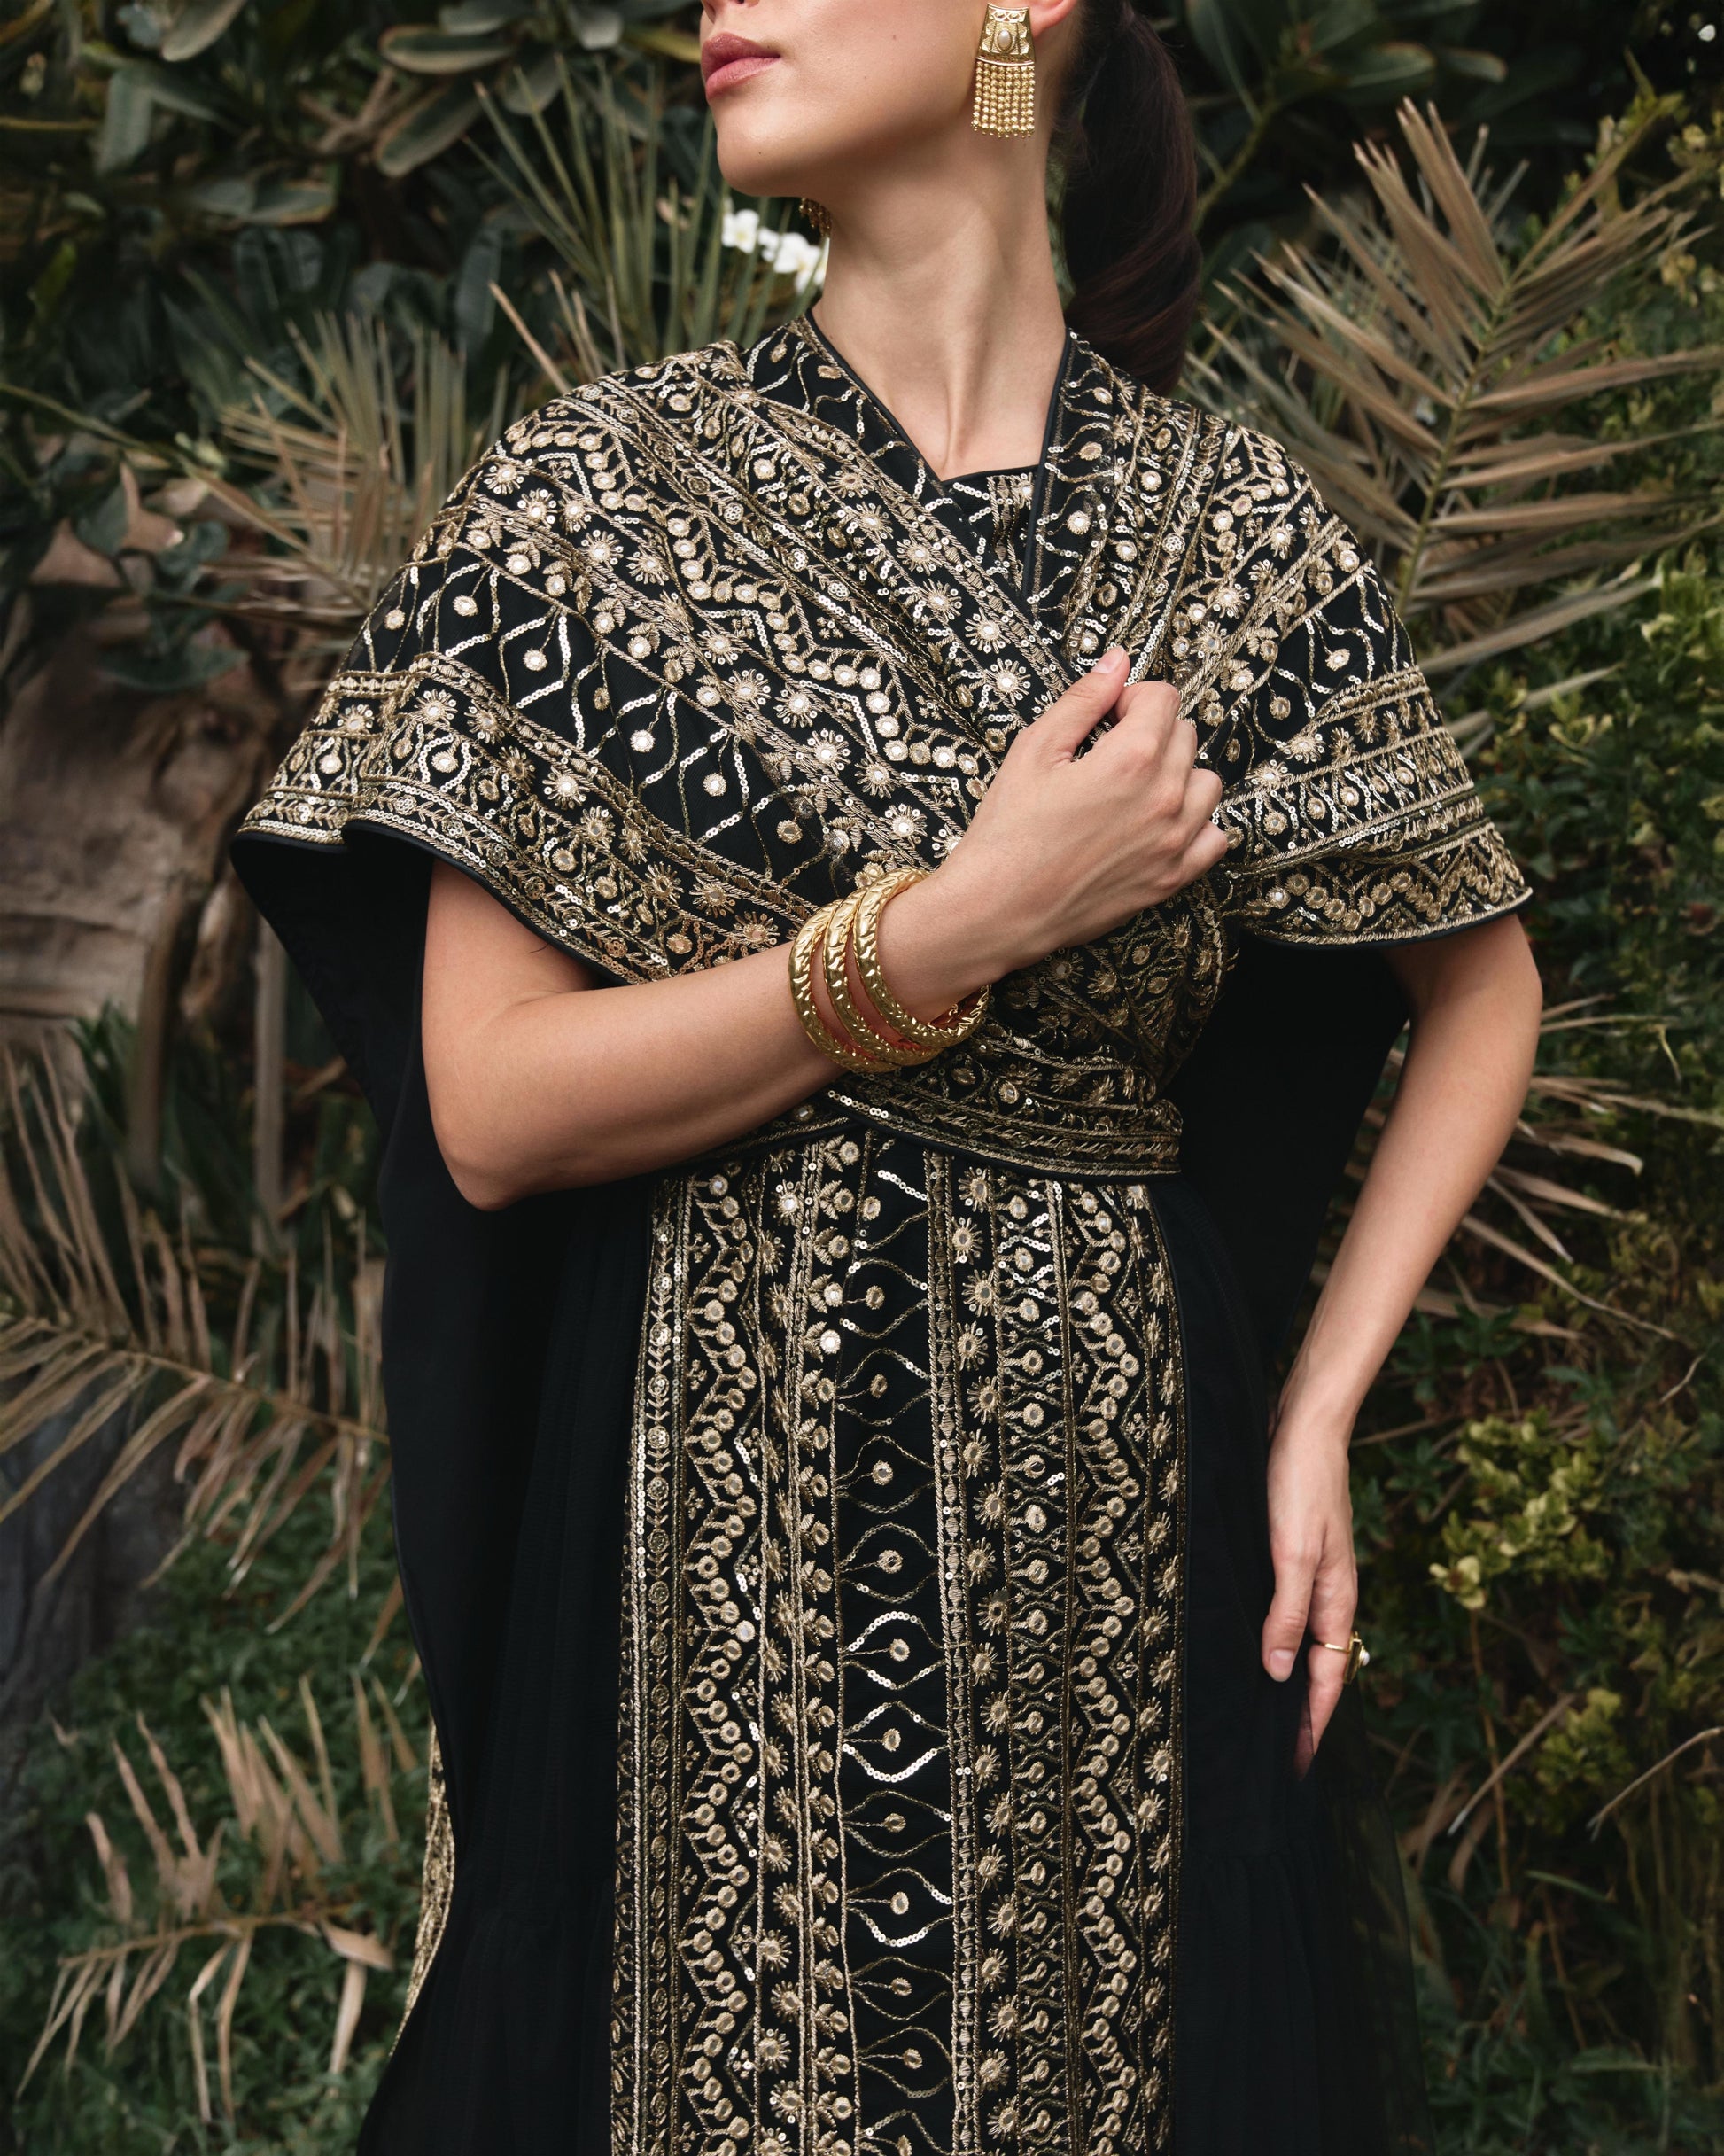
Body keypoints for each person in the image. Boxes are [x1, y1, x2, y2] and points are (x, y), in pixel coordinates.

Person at [230, 3, 1542, 2150]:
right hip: (708, 1530)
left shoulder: (1232, 537)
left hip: (1118, 1524)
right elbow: (490, 1103)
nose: (715, 3)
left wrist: (1315, 1408)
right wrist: (943, 932)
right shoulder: (601, 498)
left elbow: (1482, 989)